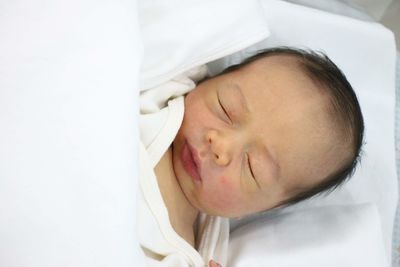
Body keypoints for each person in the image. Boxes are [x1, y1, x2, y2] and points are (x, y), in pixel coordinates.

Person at [139, 47, 364, 267]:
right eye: (226, 109)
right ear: (211, 80)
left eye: (251, 167)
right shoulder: (164, 85)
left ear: (260, 208)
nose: (220, 146)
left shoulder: (197, 254)